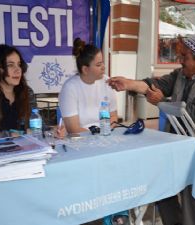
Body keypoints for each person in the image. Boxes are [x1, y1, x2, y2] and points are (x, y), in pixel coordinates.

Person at [108, 32, 195, 225]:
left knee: (191, 191)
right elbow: (154, 84)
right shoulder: (180, 75)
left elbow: (193, 114)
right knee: (158, 183)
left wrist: (161, 102)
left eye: (185, 57)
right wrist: (128, 83)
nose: (180, 61)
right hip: (176, 147)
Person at [59, 38, 128, 225]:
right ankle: (98, 213)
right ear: (85, 69)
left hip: (104, 140)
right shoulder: (70, 87)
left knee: (121, 164)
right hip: (80, 146)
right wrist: (99, 138)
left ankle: (118, 212)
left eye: (103, 62)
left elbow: (114, 118)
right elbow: (73, 129)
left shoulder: (107, 83)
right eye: (98, 64)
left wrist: (104, 135)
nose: (104, 67)